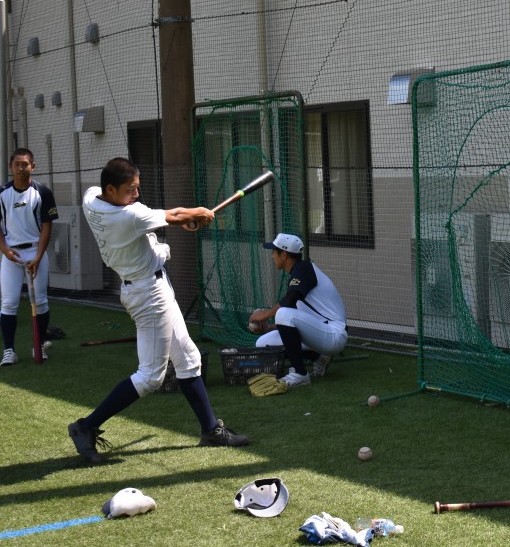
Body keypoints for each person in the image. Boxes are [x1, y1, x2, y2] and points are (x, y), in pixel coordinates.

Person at [69, 157, 248, 464]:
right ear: (110, 190)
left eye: (137, 188)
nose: (136, 194)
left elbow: (168, 221)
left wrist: (183, 221)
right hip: (147, 294)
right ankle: (86, 427)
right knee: (151, 376)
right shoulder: (130, 215)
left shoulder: (91, 198)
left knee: (189, 359)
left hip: (148, 285)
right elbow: (175, 214)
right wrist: (200, 213)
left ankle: (210, 430)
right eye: (130, 189)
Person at [0, 148, 58, 366]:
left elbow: (47, 227)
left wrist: (38, 256)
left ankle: (39, 344)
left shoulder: (42, 193)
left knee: (42, 302)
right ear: (11, 167)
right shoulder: (0, 193)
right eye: (17, 164)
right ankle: (9, 351)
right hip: (12, 255)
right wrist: (6, 251)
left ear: (32, 166)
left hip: (36, 252)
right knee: (8, 304)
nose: (21, 168)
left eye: (25, 164)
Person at [247, 233, 347, 387]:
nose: (272, 255)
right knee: (263, 343)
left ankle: (300, 374)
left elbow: (289, 302)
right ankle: (318, 357)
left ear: (284, 255)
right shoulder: (298, 272)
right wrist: (269, 327)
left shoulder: (303, 268)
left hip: (333, 334)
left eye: (274, 251)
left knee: (283, 312)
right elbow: (294, 322)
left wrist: (264, 315)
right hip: (319, 331)